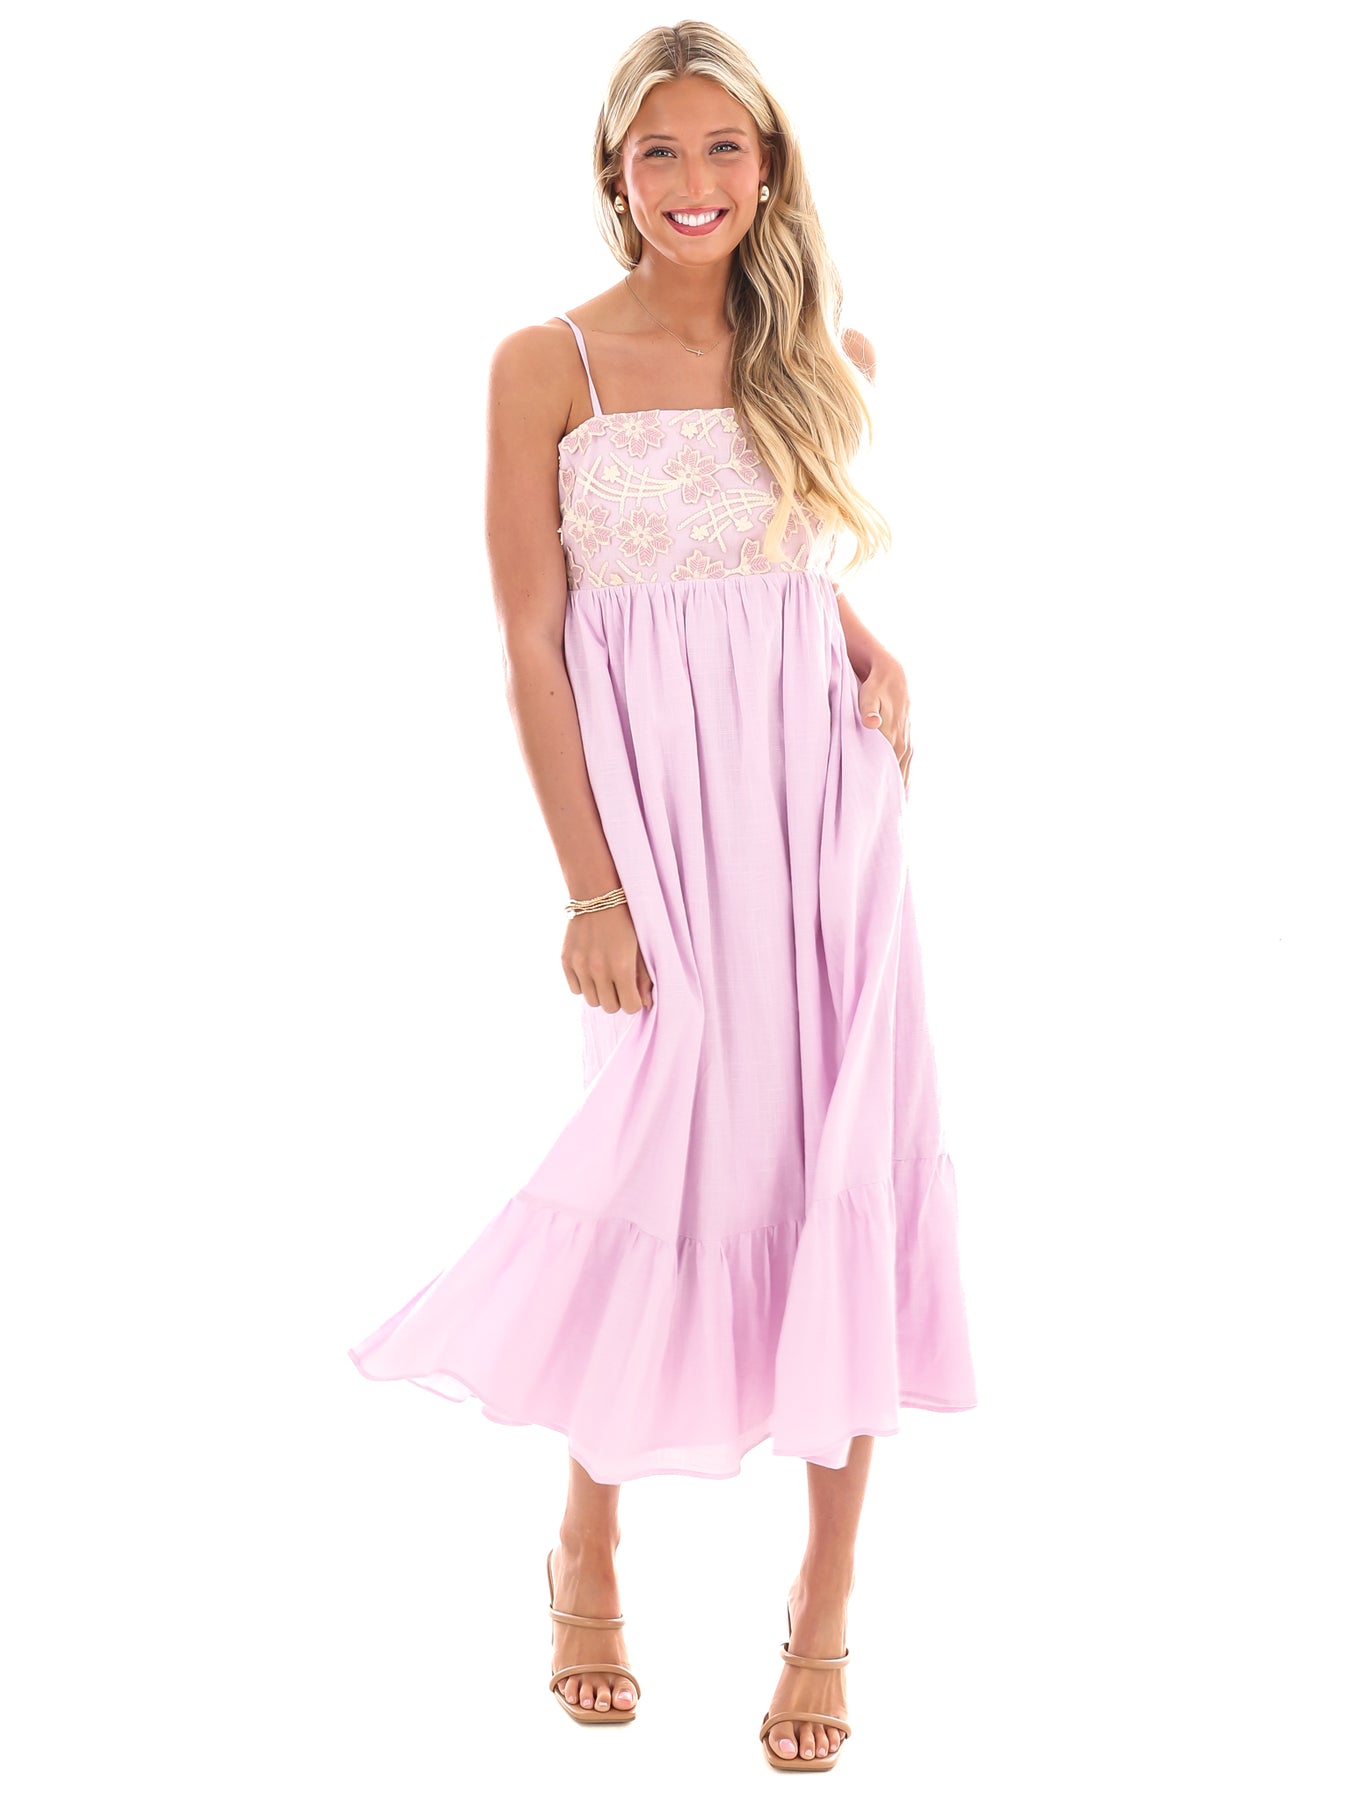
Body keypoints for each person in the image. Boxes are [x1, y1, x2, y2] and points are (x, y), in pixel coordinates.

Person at [348, 19, 976, 1771]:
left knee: (848, 1155)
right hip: (657, 835)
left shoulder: (827, 355)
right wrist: (588, 893)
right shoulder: (544, 361)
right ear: (614, 176)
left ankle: (826, 1597)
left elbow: (776, 566)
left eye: (724, 150)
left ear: (767, 173)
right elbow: (534, 634)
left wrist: (867, 640)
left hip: (825, 815)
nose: (693, 183)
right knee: (656, 1153)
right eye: (659, 154)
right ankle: (588, 1540)